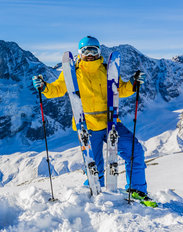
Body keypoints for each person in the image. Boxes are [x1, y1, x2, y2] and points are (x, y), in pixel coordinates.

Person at [32, 36, 157, 207]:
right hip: (87, 125)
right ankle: (90, 193)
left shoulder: (107, 70)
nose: (90, 54)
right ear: (79, 53)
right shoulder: (72, 72)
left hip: (111, 122)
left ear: (99, 52)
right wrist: (44, 87)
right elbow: (57, 89)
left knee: (134, 151)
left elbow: (119, 89)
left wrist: (133, 84)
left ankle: (136, 190)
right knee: (94, 166)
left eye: (94, 50)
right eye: (86, 51)